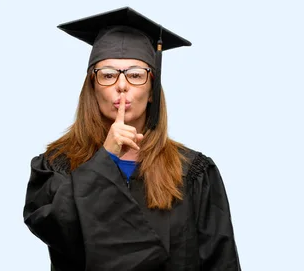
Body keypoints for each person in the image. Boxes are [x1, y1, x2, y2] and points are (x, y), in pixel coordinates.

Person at [22, 7, 241, 271]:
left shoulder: (192, 173)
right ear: (92, 87)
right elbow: (54, 228)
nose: (122, 85)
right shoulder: (59, 166)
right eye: (108, 74)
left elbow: (222, 263)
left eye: (136, 74)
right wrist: (106, 158)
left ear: (152, 91)